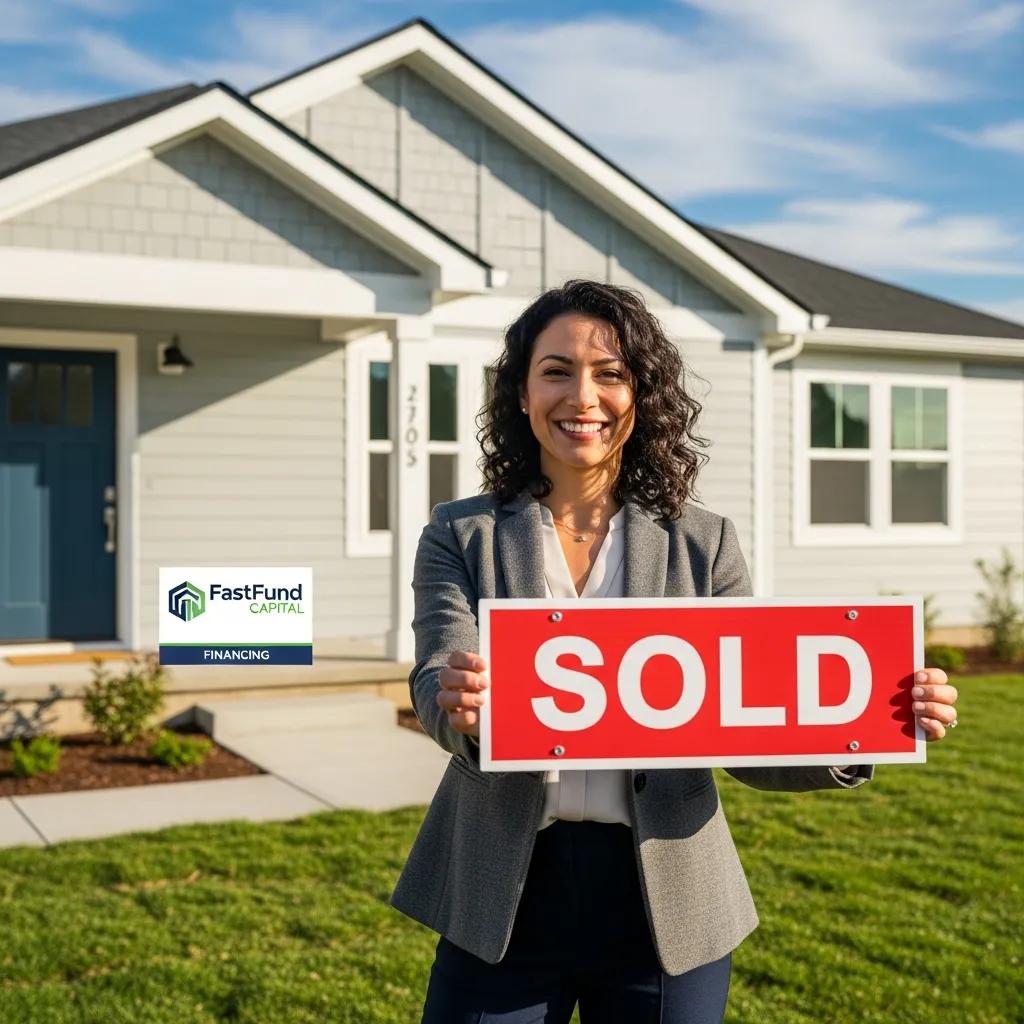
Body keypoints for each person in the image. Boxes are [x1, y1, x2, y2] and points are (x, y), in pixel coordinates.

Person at [390, 279, 960, 1024]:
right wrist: (455, 704)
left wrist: (863, 724)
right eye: (556, 370)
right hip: (502, 887)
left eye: (611, 373)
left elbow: (745, 721)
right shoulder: (460, 534)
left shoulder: (704, 541)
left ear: (643, 393)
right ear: (522, 392)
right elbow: (438, 666)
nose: (582, 396)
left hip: (669, 897)